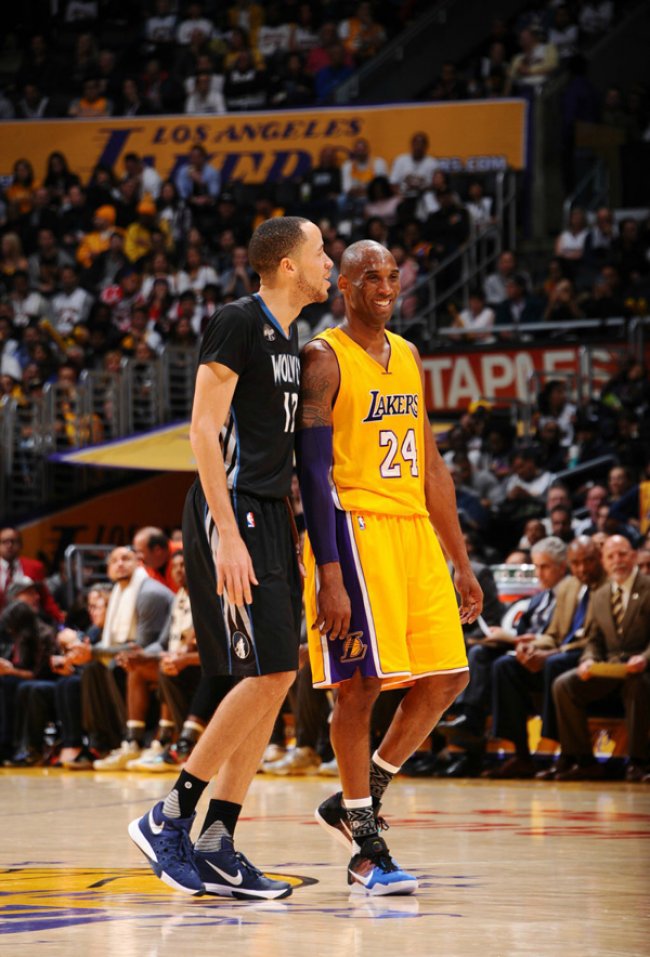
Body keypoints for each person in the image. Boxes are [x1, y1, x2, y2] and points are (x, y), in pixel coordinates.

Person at [129, 217, 333, 899]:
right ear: (286, 264)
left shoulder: (292, 339)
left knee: (277, 673)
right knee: (264, 672)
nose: (329, 263)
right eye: (320, 252)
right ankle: (170, 815)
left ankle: (217, 839)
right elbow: (202, 430)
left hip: (270, 514)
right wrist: (230, 532)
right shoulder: (237, 320)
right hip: (234, 509)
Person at [295, 240, 482, 895]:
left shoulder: (407, 354)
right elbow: (312, 470)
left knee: (449, 676)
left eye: (392, 275)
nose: (384, 285)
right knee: (361, 687)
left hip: (413, 531)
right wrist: (328, 569)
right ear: (344, 285)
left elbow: (431, 464)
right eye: (369, 275)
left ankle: (358, 797)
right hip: (355, 527)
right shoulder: (323, 357)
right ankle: (365, 849)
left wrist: (461, 560)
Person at [439, 536, 569, 777]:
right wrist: (509, 637)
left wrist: (521, 641)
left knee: (502, 665)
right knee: (481, 653)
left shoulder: (569, 592)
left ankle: (523, 752)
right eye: (537, 566)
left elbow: (561, 634)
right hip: (523, 649)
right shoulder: (539, 597)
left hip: (548, 655)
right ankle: (470, 719)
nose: (539, 573)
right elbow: (524, 631)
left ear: (562, 567)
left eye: (545, 567)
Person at [484, 536, 606, 779]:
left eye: (588, 561)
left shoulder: (606, 587)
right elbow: (553, 634)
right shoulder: (569, 586)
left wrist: (549, 653)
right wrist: (530, 648)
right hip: (560, 652)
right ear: (569, 564)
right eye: (576, 563)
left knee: (553, 663)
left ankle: (566, 753)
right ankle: (521, 754)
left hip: (587, 655)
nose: (582, 568)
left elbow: (594, 639)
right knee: (505, 666)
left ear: (599, 560)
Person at [551, 534, 650, 782]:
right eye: (610, 556)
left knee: (637, 685)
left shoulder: (648, 588)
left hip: (642, 668)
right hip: (610, 668)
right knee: (564, 685)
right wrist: (588, 660)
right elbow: (594, 639)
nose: (617, 560)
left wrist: (644, 658)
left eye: (622, 554)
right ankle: (584, 761)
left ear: (634, 556)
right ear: (604, 562)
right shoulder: (600, 594)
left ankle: (638, 763)